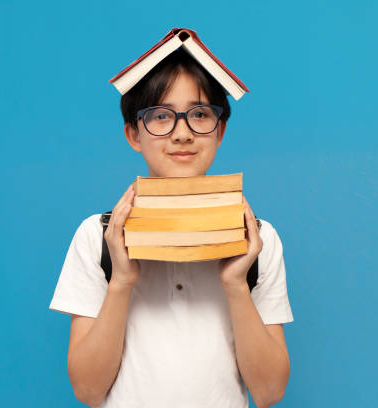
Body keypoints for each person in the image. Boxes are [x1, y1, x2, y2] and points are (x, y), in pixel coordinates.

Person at [49, 44, 294, 408]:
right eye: (161, 117)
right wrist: (121, 281)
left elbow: (269, 393)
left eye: (199, 114)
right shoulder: (97, 237)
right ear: (134, 134)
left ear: (220, 130)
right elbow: (87, 391)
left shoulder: (258, 240)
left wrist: (235, 284)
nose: (182, 134)